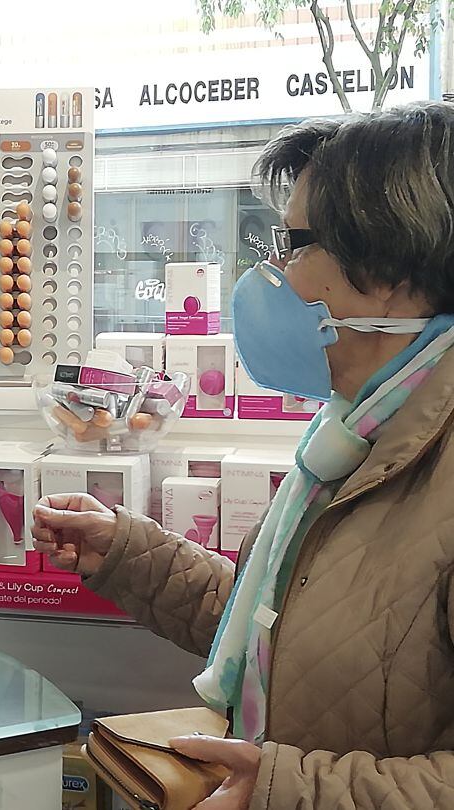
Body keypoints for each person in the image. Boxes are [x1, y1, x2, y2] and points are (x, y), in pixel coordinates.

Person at [35, 101, 454, 810]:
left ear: (384, 267)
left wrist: (288, 792)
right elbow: (284, 623)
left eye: (294, 244)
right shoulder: (354, 431)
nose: (275, 273)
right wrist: (128, 554)